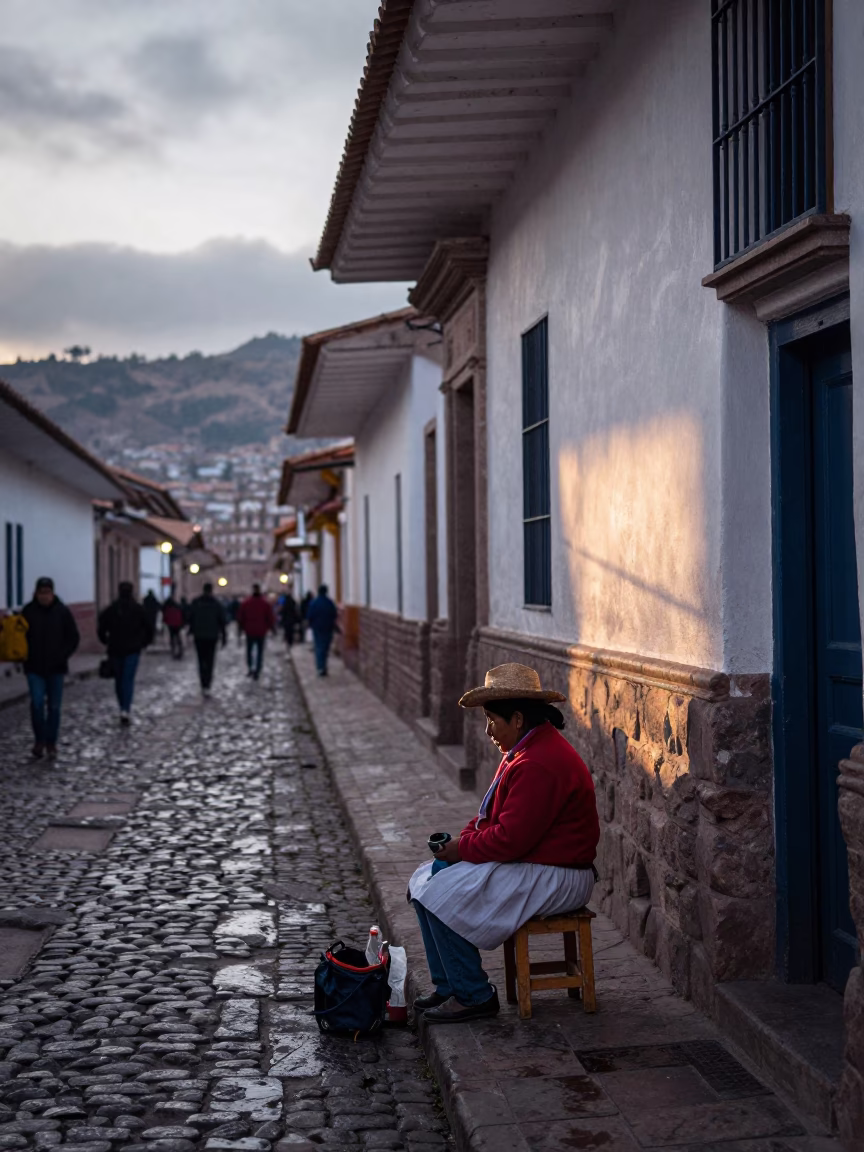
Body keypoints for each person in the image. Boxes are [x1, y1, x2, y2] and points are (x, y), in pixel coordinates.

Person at [408, 663, 600, 1023]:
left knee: (441, 892)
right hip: (538, 864)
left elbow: (510, 840)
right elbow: (489, 819)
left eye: (492, 721)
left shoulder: (538, 763)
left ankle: (473, 994)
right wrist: (462, 844)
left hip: (560, 875)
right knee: (427, 879)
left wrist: (462, 850)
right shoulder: (525, 752)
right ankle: (450, 985)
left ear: (516, 718)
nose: (488, 730)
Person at [21, 577, 80, 759]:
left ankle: (51, 743)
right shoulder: (28, 612)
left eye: (47, 593)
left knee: (54, 707)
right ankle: (39, 740)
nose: (44, 596)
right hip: (34, 667)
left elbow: (73, 637)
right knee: (37, 704)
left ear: (52, 593)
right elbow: (19, 636)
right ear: (36, 593)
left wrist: (62, 655)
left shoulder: (62, 612)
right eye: (41, 593)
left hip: (56, 668)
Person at [97, 582, 154, 725]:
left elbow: (101, 628)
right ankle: (125, 709)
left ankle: (123, 706)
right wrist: (144, 643)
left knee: (119, 680)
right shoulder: (138, 609)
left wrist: (106, 641)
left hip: (116, 649)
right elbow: (149, 628)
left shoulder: (112, 609)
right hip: (132, 650)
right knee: (127, 679)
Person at [188, 582, 227, 697]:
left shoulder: (196, 602)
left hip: (199, 636)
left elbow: (191, 618)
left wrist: (191, 630)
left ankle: (203, 682)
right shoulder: (216, 604)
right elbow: (222, 621)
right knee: (210, 661)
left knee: (201, 660)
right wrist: (224, 636)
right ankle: (207, 684)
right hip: (212, 636)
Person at [237, 584, 276, 680]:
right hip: (261, 631)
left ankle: (251, 667)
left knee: (249, 650)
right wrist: (272, 629)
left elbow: (241, 618)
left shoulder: (246, 603)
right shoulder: (265, 604)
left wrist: (240, 630)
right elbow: (270, 618)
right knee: (259, 651)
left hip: (249, 630)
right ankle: (257, 669)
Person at [306, 584, 338, 676]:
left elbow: (310, 616)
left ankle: (320, 667)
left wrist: (310, 624)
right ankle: (323, 666)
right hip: (328, 627)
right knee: (325, 647)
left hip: (317, 628)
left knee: (319, 646)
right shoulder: (329, 603)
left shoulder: (314, 603)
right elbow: (334, 615)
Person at [162, 591, 184, 660]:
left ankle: (174, 651)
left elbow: (165, 618)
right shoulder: (177, 607)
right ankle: (179, 651)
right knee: (177, 638)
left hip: (171, 625)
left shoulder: (168, 609)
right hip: (177, 625)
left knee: (173, 639)